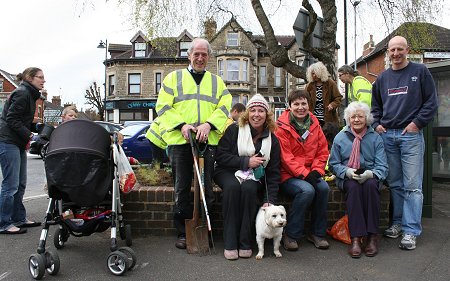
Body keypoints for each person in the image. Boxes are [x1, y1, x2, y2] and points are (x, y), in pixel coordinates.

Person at [155, 38, 231, 249]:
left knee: (206, 188)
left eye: (204, 55)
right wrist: (181, 125)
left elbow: (225, 107)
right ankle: (182, 231)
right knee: (181, 187)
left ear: (209, 57)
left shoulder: (217, 82)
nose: (200, 58)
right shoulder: (173, 78)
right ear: (189, 55)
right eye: (196, 54)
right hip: (181, 142)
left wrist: (209, 124)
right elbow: (162, 106)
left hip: (207, 141)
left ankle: (206, 227)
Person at [371, 35, 438, 250]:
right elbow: (375, 107)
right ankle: (397, 224)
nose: (396, 53)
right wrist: (377, 125)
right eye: (392, 50)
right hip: (388, 135)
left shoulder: (420, 72)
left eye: (400, 49)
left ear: (407, 50)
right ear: (387, 53)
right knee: (396, 185)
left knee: (412, 187)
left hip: (410, 136)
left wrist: (417, 124)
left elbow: (431, 102)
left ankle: (410, 231)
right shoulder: (382, 78)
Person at [214, 94, 280, 260]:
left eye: (261, 111)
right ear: (247, 113)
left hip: (253, 177)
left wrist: (269, 199)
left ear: (267, 115)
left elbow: (273, 173)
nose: (256, 114)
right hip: (227, 171)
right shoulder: (234, 130)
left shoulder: (273, 140)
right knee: (232, 188)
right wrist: (246, 161)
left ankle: (245, 242)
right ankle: (230, 242)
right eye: (253, 110)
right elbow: (220, 156)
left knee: (250, 189)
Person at [329, 101, 389, 258]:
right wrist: (347, 171)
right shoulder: (340, 137)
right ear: (348, 118)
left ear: (367, 118)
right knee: (354, 188)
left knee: (370, 186)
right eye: (353, 116)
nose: (356, 120)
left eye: (360, 116)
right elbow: (333, 164)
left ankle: (372, 237)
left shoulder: (375, 138)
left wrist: (370, 174)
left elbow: (383, 166)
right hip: (348, 177)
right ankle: (356, 237)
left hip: (370, 175)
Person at [274, 89, 330, 251]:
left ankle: (317, 233)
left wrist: (317, 170)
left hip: (310, 172)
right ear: (289, 106)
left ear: (308, 105)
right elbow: (286, 158)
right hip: (288, 174)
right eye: (296, 104)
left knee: (324, 188)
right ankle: (291, 234)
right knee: (307, 191)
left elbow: (322, 150)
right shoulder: (281, 127)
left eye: (303, 103)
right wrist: (305, 175)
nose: (300, 107)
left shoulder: (315, 124)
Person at [0, 67, 45, 234]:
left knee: (20, 184)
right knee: (10, 185)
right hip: (8, 142)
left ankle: (18, 218)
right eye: (40, 77)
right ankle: (4, 223)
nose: (43, 80)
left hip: (16, 143)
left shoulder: (29, 94)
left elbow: (20, 120)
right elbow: (11, 119)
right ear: (29, 78)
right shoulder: (22, 93)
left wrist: (36, 126)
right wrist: (31, 136)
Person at [305, 61, 342, 127]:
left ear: (321, 73)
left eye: (316, 73)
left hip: (328, 118)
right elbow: (304, 99)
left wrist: (332, 105)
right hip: (313, 119)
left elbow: (338, 97)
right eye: (312, 74)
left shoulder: (330, 83)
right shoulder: (309, 86)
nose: (314, 75)